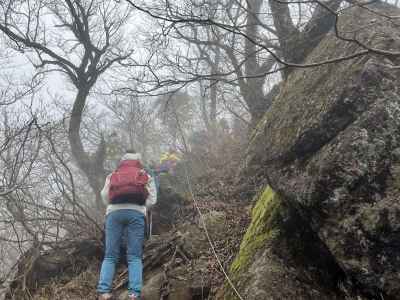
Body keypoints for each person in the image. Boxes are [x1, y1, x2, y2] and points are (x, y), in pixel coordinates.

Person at [97, 151, 157, 300]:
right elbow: (152, 200)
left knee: (110, 255)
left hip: (114, 214)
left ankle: (104, 292)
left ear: (122, 161)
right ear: (138, 160)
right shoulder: (145, 175)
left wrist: (114, 205)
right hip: (136, 213)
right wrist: (142, 207)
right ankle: (134, 294)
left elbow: (104, 196)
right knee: (134, 256)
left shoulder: (113, 174)